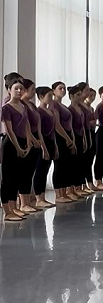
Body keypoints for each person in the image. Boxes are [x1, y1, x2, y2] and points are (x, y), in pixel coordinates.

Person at [1, 78, 32, 221]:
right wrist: (18, 147)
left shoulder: (23, 106)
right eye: (16, 88)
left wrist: (28, 142)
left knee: (17, 177)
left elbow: (26, 125)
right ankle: (7, 211)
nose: (19, 91)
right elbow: (9, 130)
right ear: (9, 90)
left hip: (22, 142)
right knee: (8, 178)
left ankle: (14, 207)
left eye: (21, 88)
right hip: (10, 144)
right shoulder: (6, 108)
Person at [19, 80, 49, 212]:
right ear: (25, 90)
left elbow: (38, 126)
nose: (33, 92)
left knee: (30, 171)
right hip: (27, 140)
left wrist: (41, 143)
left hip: (36, 139)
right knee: (24, 172)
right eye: (32, 89)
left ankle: (29, 201)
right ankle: (23, 203)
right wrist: (31, 139)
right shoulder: (21, 104)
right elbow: (25, 125)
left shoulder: (31, 105)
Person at [49, 81, 78, 203]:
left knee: (66, 165)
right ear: (53, 91)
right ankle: (58, 194)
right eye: (60, 88)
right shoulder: (53, 104)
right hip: (60, 137)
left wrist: (72, 139)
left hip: (68, 136)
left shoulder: (64, 106)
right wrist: (67, 138)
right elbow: (57, 124)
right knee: (59, 165)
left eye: (64, 88)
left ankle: (64, 192)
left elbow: (69, 125)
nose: (63, 90)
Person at [33, 86, 58, 209]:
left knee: (46, 170)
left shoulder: (51, 111)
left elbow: (53, 131)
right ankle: (39, 198)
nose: (51, 98)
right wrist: (43, 147)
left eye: (52, 96)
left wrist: (55, 146)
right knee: (40, 170)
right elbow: (39, 132)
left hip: (51, 141)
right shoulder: (38, 111)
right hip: (43, 142)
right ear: (41, 97)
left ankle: (42, 197)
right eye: (49, 96)